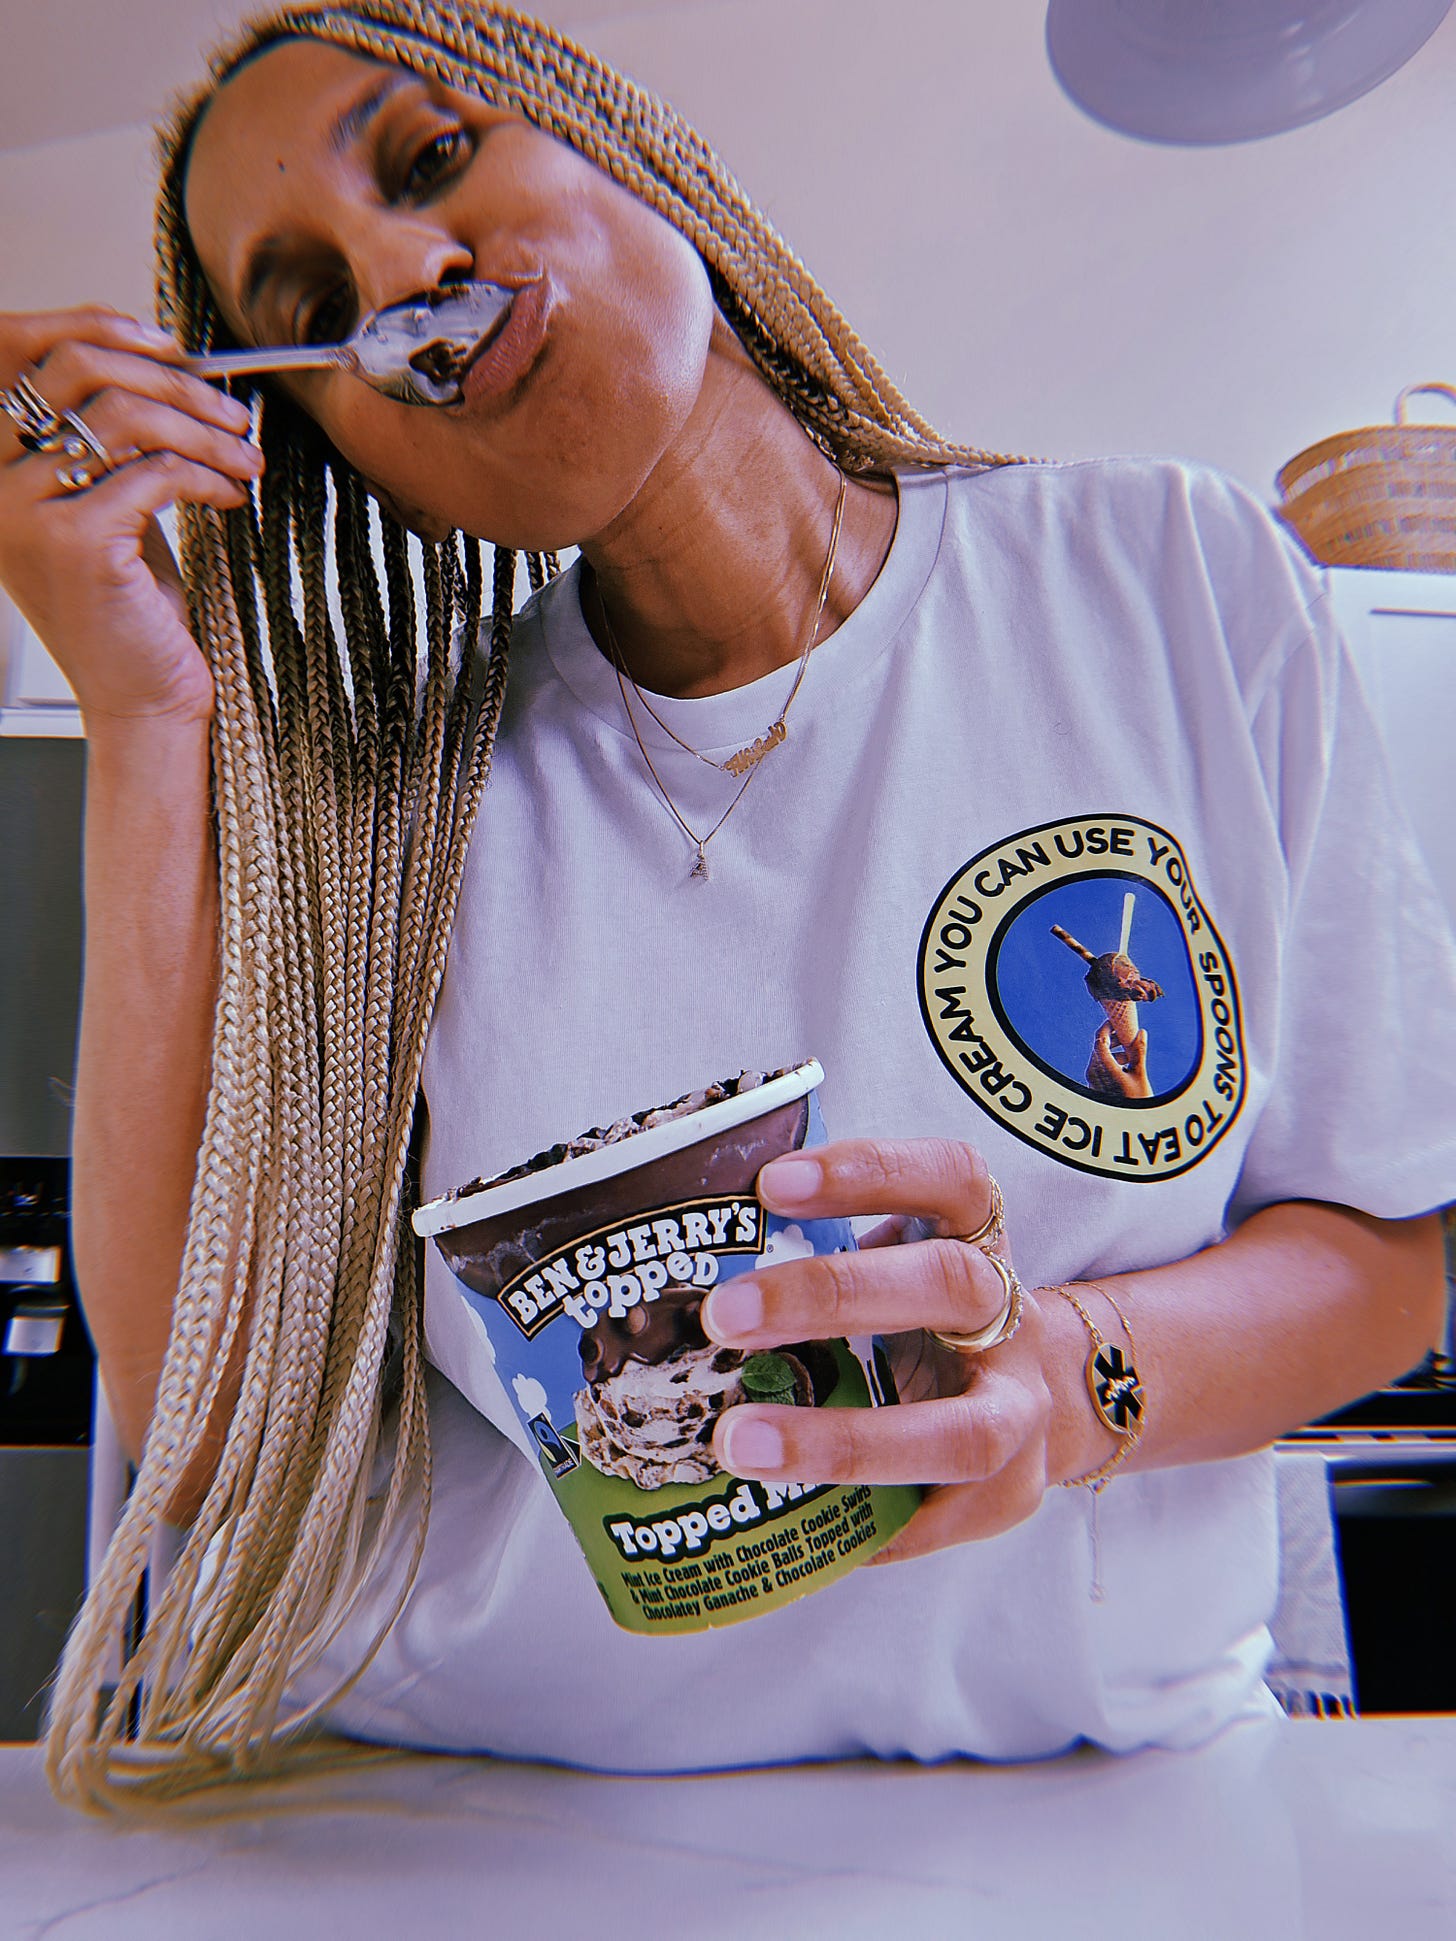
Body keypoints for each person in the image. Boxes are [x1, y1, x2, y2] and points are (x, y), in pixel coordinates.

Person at [0, 1, 1451, 1808]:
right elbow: (200, 1431)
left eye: (435, 156)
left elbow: (1382, 1248)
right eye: (308, 317)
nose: (406, 268)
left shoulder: (1172, 580)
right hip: (478, 1826)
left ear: (614, 135)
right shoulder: (378, 821)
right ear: (346, 453)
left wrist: (1059, 1380)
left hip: (1088, 1809)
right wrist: (146, 711)